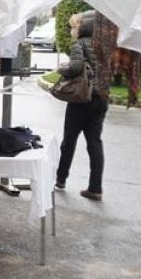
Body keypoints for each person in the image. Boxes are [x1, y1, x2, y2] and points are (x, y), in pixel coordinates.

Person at [56, 11, 109, 201]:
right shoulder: (105, 45)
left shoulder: (81, 43)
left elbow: (76, 67)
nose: (72, 29)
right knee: (95, 142)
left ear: (83, 26)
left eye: (74, 26)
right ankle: (95, 188)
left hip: (82, 99)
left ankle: (61, 179)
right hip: (101, 98)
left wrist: (62, 68)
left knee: (69, 140)